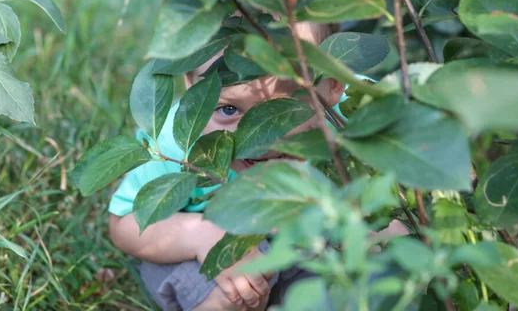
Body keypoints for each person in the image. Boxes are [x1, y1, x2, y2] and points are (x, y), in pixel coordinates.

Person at [107, 20, 373, 310]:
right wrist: (199, 234)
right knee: (227, 297)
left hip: (309, 246)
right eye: (229, 110)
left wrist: (387, 228)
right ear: (193, 87)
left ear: (334, 83)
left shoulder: (360, 114)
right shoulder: (176, 144)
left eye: (284, 109)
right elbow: (125, 223)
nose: (258, 139)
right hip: (209, 248)